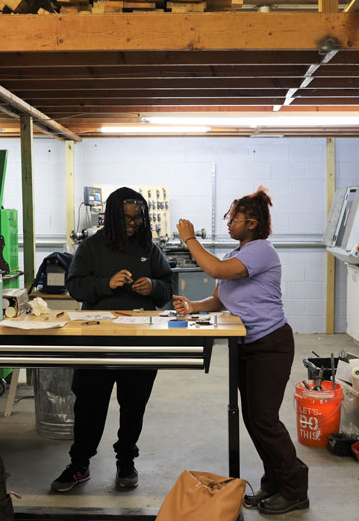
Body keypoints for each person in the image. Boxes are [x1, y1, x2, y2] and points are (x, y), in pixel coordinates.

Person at [173, 187, 309, 515]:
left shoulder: (261, 251)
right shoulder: (240, 253)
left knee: (264, 420)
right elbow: (219, 298)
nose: (228, 223)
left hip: (270, 345)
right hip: (247, 345)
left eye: (232, 218)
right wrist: (194, 306)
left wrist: (190, 240)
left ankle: (295, 488)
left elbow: (216, 270)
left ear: (250, 222)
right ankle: (273, 484)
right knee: (252, 418)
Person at [51, 187, 173, 493]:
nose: (133, 224)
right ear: (112, 217)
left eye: (137, 218)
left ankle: (126, 462)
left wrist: (154, 288)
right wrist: (107, 283)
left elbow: (168, 286)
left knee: (133, 404)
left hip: (139, 340)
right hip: (97, 339)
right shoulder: (92, 247)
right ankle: (79, 464)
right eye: (126, 219)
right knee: (90, 405)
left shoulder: (148, 246)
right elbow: (75, 287)